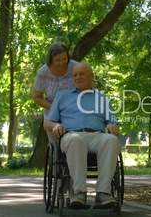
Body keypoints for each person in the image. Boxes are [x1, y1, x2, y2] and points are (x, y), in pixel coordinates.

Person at [44, 62, 121, 209]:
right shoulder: (62, 96)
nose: (78, 77)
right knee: (76, 140)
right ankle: (78, 193)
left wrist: (112, 126)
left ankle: (103, 193)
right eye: (75, 75)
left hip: (97, 136)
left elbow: (113, 122)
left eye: (82, 74)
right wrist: (56, 125)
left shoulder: (102, 98)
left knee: (112, 140)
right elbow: (47, 123)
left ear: (91, 76)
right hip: (71, 135)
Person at [32, 42, 78, 145]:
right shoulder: (43, 72)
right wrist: (54, 108)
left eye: (64, 59)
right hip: (52, 109)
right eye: (58, 60)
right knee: (56, 143)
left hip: (75, 108)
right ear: (51, 59)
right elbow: (36, 97)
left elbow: (87, 87)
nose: (62, 63)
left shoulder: (76, 67)